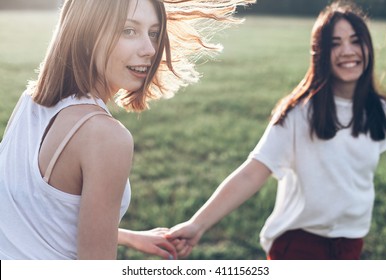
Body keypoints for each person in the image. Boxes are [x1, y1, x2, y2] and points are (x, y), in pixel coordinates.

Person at [0, 0, 254, 260]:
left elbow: (37, 214)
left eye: (153, 33)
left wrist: (127, 236)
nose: (150, 49)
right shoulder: (105, 136)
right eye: (129, 31)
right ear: (86, 33)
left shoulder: (30, 101)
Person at [167, 0, 386, 260]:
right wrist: (198, 224)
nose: (347, 51)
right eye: (335, 44)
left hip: (351, 243)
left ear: (368, 46)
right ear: (319, 53)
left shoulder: (381, 110)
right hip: (299, 244)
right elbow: (252, 173)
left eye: (355, 40)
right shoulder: (299, 114)